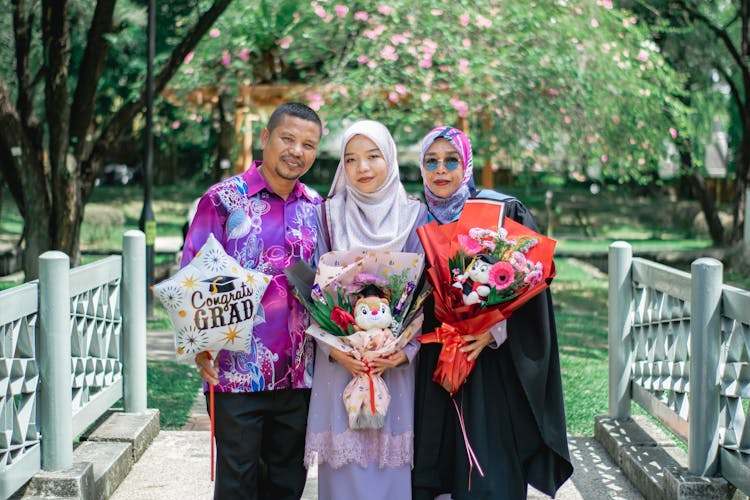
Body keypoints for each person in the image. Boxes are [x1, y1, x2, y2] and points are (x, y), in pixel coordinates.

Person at [412, 126, 573, 499]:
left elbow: (533, 288)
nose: (441, 170)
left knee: (488, 466)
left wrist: (492, 330)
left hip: (490, 363)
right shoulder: (414, 218)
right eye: (431, 161)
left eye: (451, 160)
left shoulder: (501, 211)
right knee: (433, 461)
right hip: (432, 359)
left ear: (465, 165)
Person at [185, 102, 323, 500]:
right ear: (265, 138)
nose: (297, 150)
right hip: (235, 373)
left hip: (300, 377)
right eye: (288, 138)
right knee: (238, 485)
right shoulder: (223, 200)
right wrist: (200, 349)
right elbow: (194, 274)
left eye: (308, 144)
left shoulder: (317, 208)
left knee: (286, 484)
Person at [304, 120, 427, 499]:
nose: (363, 168)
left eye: (373, 156)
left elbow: (425, 295)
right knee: (345, 466)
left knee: (391, 465)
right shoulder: (328, 213)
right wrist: (335, 348)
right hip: (341, 362)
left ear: (389, 158)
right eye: (352, 159)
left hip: (393, 364)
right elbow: (314, 288)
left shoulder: (414, 215)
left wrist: (401, 351)